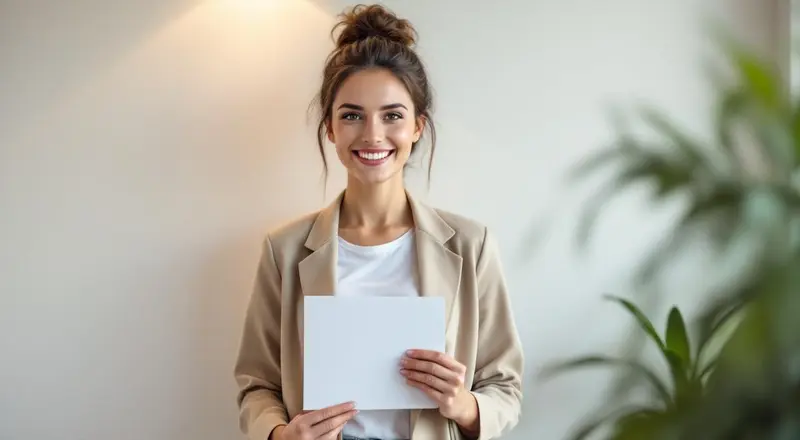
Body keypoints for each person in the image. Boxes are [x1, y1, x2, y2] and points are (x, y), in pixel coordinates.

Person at [233, 4, 524, 440]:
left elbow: (505, 386)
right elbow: (257, 384)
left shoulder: (470, 245)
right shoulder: (285, 249)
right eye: (352, 115)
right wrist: (280, 434)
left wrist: (463, 405)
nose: (372, 134)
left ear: (417, 127)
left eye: (392, 115)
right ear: (330, 128)